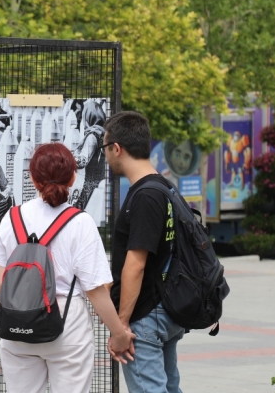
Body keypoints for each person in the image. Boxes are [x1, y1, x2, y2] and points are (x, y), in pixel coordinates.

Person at [0, 143, 135, 393]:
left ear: (33, 178)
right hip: (66, 325)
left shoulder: (11, 218)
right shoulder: (80, 222)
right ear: (72, 177)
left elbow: (2, 284)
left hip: (17, 325)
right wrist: (119, 334)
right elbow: (95, 290)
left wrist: (21, 315)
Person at [102, 112, 184, 393]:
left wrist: (121, 326)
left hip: (147, 316)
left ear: (117, 148)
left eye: (105, 148)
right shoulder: (164, 188)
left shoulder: (145, 195)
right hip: (164, 309)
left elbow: (135, 264)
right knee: (169, 387)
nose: (106, 156)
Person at [72, 100, 107, 209]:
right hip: (96, 182)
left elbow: (83, 161)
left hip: (87, 186)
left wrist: (66, 157)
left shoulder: (93, 136)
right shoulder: (103, 133)